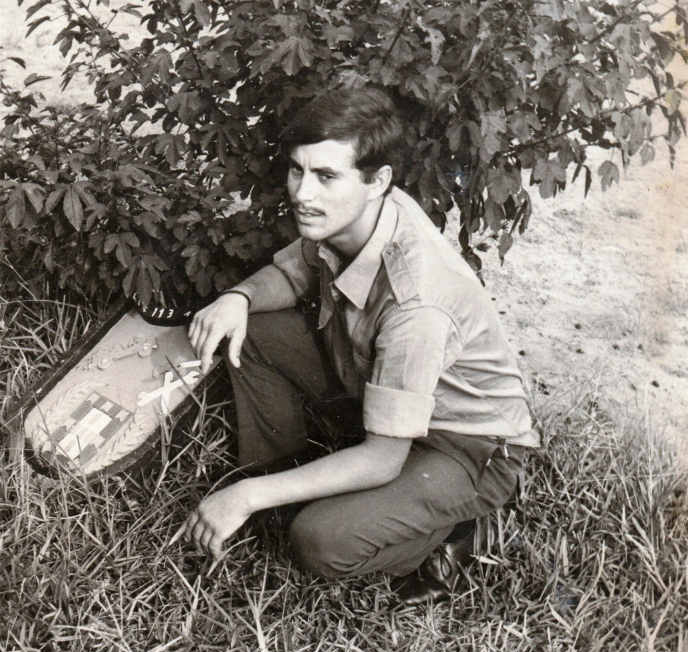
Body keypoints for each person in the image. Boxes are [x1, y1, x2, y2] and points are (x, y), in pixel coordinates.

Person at [184, 87, 539, 605]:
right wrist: (238, 298)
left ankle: (458, 530)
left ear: (378, 180)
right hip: (381, 387)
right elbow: (293, 274)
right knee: (252, 330)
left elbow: (383, 460)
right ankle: (279, 479)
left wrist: (245, 496)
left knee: (321, 542)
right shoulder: (357, 212)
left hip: (464, 446)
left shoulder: (417, 304)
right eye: (297, 170)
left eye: (326, 176)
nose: (303, 193)